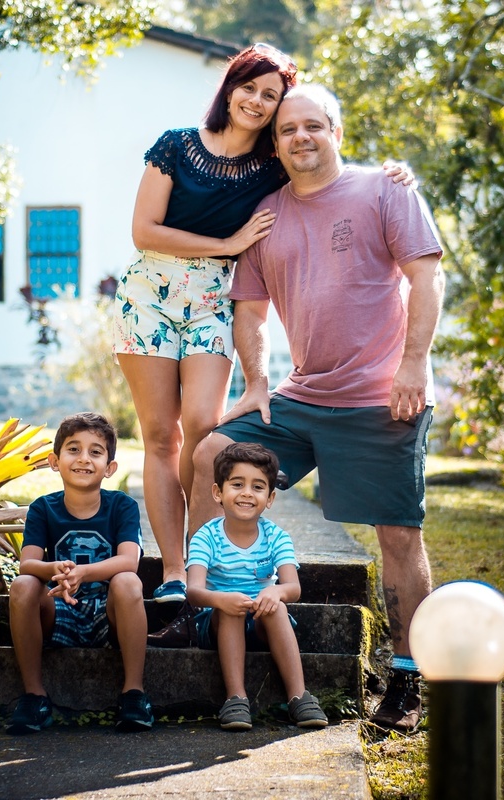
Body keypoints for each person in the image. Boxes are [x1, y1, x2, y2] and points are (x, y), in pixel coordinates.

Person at [188, 85, 446, 733]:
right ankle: (207, 611)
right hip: (303, 398)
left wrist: (413, 364)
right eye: (287, 130)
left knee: (397, 533)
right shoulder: (267, 214)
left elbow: (427, 276)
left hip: (381, 398)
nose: (300, 136)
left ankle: (407, 679)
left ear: (336, 131)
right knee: (213, 451)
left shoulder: (385, 190)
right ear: (274, 145)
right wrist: (257, 381)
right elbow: (250, 312)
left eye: (313, 125)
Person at [115, 44, 414, 605]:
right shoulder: (175, 145)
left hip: (214, 300)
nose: (257, 101)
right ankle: (176, 572)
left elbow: (321, 156)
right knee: (159, 435)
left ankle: (208, 561)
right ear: (229, 88)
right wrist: (228, 243)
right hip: (149, 295)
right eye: (248, 87)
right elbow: (143, 230)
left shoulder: (272, 163)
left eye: (270, 95)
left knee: (202, 428)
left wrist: (392, 173)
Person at [5, 412, 154, 734]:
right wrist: (52, 568)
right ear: (54, 461)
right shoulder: (43, 508)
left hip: (108, 614)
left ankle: (134, 692)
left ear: (110, 468)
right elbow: (27, 565)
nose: (84, 458)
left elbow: (129, 560)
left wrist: (84, 573)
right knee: (23, 585)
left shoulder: (122, 506)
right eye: (73, 449)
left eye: (95, 452)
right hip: (58, 609)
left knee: (128, 581)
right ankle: (34, 697)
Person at [185, 442, 329, 731]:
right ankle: (236, 698)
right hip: (217, 623)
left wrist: (275, 591)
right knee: (231, 610)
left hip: (263, 622)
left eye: (258, 487)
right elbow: (194, 591)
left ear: (270, 497)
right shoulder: (205, 537)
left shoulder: (276, 537)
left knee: (277, 608)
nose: (247, 493)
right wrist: (221, 600)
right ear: (218, 492)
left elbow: (293, 588)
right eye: (237, 484)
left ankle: (299, 696)